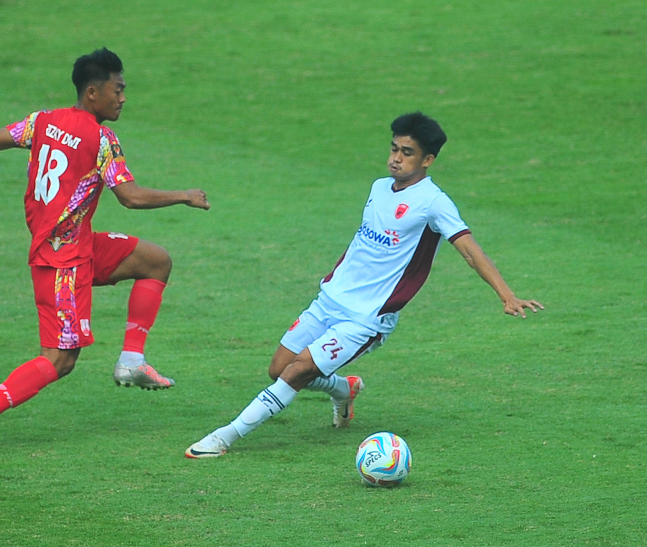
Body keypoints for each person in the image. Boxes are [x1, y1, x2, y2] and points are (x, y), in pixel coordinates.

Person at [185, 112, 543, 458]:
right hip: (330, 298)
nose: (395, 159)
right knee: (279, 368)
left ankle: (223, 437)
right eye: (393, 149)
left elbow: (469, 249)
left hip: (367, 316)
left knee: (298, 372)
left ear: (428, 159)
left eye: (407, 153)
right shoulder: (378, 188)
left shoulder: (434, 203)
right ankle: (344, 388)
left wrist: (506, 295)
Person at [0, 48, 210, 454]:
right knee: (60, 360)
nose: (123, 98)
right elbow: (131, 198)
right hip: (61, 261)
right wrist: (184, 195)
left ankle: (132, 361)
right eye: (117, 90)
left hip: (79, 244)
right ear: (92, 92)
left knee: (156, 261)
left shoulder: (42, 122)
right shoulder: (101, 139)